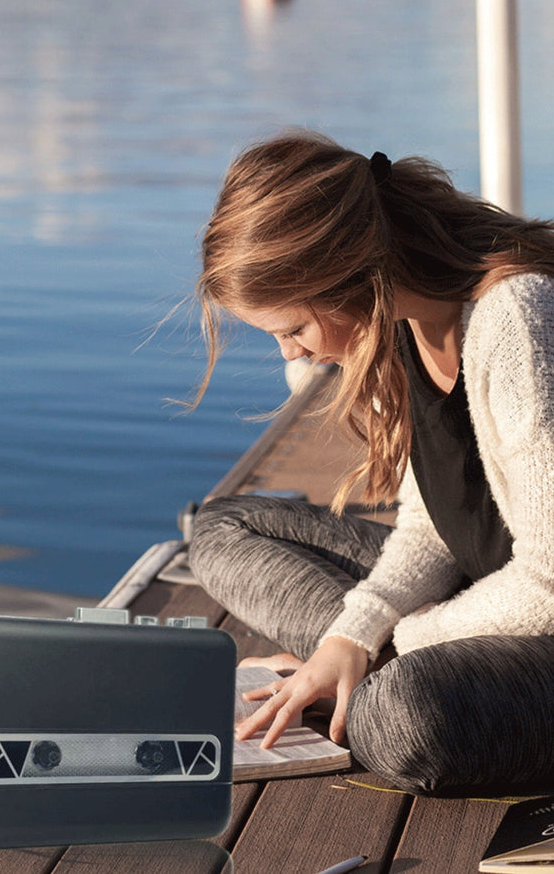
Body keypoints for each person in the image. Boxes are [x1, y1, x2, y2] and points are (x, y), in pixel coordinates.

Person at [188, 130, 554, 797]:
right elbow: (431, 524)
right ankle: (351, 672)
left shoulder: (515, 321)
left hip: (543, 624)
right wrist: (351, 636)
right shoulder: (397, 326)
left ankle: (367, 682)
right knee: (222, 527)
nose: (291, 356)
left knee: (403, 717)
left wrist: (401, 639)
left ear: (347, 274)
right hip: (475, 602)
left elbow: (549, 580)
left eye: (292, 329)